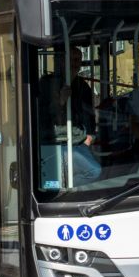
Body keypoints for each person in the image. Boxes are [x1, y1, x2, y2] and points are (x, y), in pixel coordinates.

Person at [39, 47, 101, 184]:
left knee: (98, 172)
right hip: (56, 142)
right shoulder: (47, 83)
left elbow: (90, 115)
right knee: (94, 171)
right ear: (62, 61)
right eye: (71, 59)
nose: (75, 63)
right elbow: (41, 116)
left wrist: (90, 137)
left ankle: (66, 185)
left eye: (77, 60)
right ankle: (65, 186)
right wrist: (60, 101)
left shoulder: (82, 85)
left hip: (79, 143)